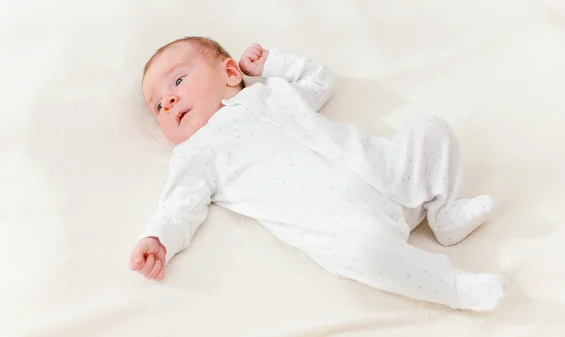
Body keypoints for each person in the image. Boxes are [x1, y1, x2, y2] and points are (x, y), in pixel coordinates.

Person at [129, 36, 508, 311]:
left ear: (230, 72)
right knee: (369, 253)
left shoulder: (274, 93)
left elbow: (320, 79)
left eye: (177, 82)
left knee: (431, 128)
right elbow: (180, 204)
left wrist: (271, 65)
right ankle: (455, 288)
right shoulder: (196, 152)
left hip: (389, 168)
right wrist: (159, 238)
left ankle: (445, 212)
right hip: (344, 223)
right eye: (159, 105)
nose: (170, 101)